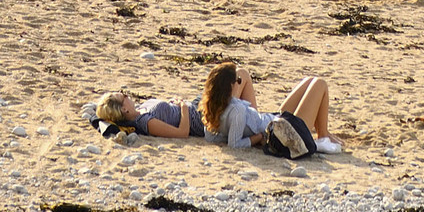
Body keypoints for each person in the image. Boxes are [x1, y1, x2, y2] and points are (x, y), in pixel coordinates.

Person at [200, 61, 331, 155]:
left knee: (309, 80)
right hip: (284, 132)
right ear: (231, 86)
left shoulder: (213, 108)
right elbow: (234, 145)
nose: (239, 83)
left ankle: (324, 133)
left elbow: (211, 138)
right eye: (237, 81)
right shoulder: (237, 110)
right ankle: (323, 136)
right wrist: (257, 138)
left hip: (273, 121)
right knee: (319, 83)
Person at [95, 89, 206, 138]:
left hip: (195, 105)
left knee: (219, 78)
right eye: (124, 95)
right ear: (124, 109)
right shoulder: (145, 121)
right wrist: (183, 107)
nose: (127, 95)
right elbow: (182, 133)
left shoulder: (139, 109)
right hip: (200, 117)